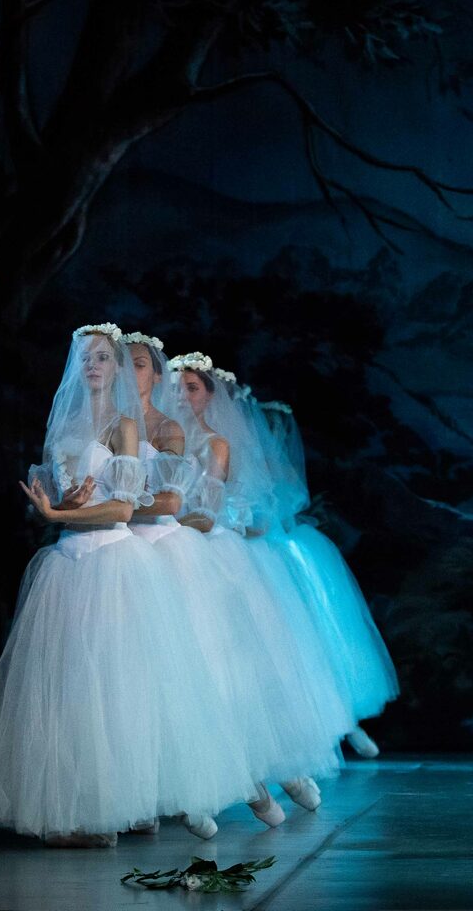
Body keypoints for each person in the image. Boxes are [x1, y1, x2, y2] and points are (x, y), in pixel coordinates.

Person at [0, 323, 173, 847]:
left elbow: (123, 509)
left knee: (112, 686)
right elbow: (59, 505)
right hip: (66, 562)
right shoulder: (62, 428)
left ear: (117, 367)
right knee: (64, 689)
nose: (93, 366)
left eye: (103, 357)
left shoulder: (124, 426)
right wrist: (59, 508)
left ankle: (123, 801)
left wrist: (59, 514)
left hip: (110, 562)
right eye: (86, 358)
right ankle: (78, 809)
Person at [166, 350, 354, 827]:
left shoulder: (216, 444)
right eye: (177, 387)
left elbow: (211, 509)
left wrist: (169, 519)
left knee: (238, 671)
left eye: (192, 388)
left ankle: (279, 772)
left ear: (211, 396)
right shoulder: (160, 439)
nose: (182, 396)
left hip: (213, 556)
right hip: (173, 553)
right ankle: (232, 785)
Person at [246, 393, 399, 758]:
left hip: (281, 554)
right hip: (265, 553)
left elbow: (278, 513)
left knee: (318, 642)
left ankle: (343, 723)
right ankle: (321, 727)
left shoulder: (276, 472)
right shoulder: (248, 465)